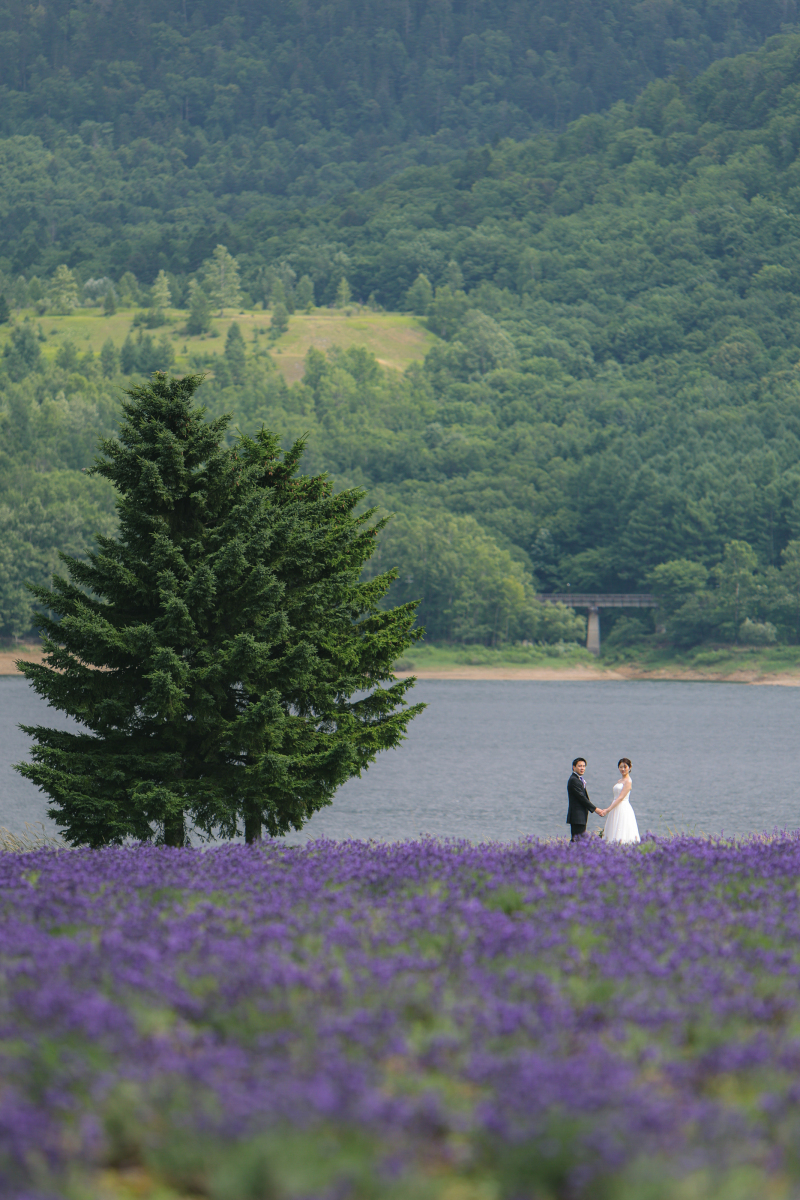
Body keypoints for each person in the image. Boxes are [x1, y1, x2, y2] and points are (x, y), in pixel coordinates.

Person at [597, 758, 640, 844]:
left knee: (622, 829)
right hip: (615, 806)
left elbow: (620, 798)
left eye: (625, 767)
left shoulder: (628, 781)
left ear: (630, 767)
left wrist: (607, 809)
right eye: (621, 767)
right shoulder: (620, 780)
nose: (623, 769)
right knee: (613, 829)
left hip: (623, 807)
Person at [566, 757, 596, 842]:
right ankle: (571, 854)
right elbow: (582, 797)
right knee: (577, 841)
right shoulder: (574, 780)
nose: (582, 768)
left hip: (580, 816)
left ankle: (572, 854)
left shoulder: (578, 779)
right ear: (574, 767)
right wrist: (595, 809)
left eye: (583, 766)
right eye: (579, 766)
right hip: (577, 816)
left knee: (578, 840)